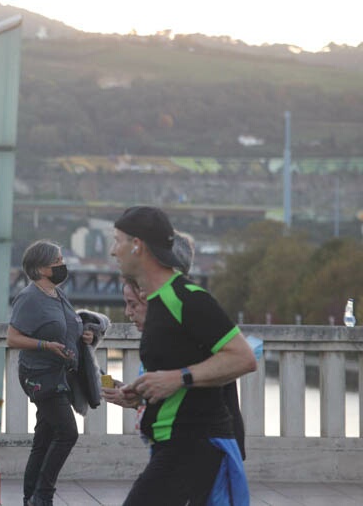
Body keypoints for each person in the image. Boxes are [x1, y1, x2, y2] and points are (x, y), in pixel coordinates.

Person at [110, 207, 256, 506]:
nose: (114, 251)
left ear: (137, 245)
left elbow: (243, 357)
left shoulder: (187, 297)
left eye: (117, 241)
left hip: (194, 443)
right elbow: (176, 371)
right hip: (171, 443)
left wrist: (179, 378)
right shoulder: (158, 301)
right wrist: (142, 393)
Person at [8, 240, 94, 506]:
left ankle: (30, 497)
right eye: (57, 261)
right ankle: (43, 496)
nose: (62, 264)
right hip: (39, 376)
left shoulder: (57, 294)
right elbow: (12, 338)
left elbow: (68, 326)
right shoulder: (29, 297)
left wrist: (86, 335)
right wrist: (45, 345)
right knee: (68, 433)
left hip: (60, 375)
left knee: (44, 438)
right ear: (41, 268)